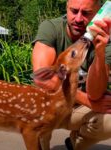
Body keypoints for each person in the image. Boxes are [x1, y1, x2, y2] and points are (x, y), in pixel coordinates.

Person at [32, 0, 111, 149]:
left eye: (86, 13)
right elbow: (42, 78)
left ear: (98, 12)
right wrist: (89, 102)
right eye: (74, 11)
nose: (79, 19)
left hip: (78, 110)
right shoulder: (51, 28)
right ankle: (41, 141)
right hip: (50, 105)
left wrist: (100, 52)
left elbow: (95, 94)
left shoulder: (105, 38)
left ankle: (75, 144)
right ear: (66, 7)